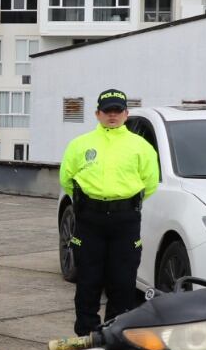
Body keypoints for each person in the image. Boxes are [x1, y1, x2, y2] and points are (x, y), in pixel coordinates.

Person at [59, 88, 160, 335]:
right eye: (107, 111)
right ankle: (86, 331)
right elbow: (66, 178)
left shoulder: (140, 146)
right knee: (88, 278)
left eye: (117, 110)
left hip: (125, 219)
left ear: (126, 114)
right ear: (97, 114)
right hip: (89, 219)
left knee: (123, 279)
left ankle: (116, 333)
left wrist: (121, 202)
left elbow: (150, 183)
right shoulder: (80, 144)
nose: (112, 115)